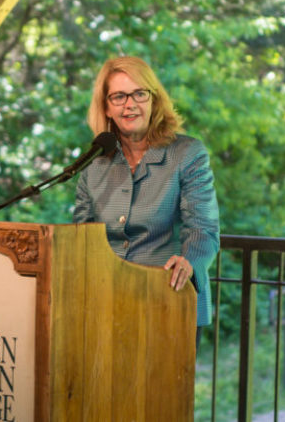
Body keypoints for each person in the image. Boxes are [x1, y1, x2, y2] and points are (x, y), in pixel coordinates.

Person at [73, 56, 220, 346]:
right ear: (106, 107)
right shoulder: (93, 164)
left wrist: (189, 262)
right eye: (119, 96)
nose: (130, 104)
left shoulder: (187, 154)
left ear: (154, 100)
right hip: (107, 305)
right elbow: (81, 239)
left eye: (140, 93)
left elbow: (203, 228)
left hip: (169, 299)